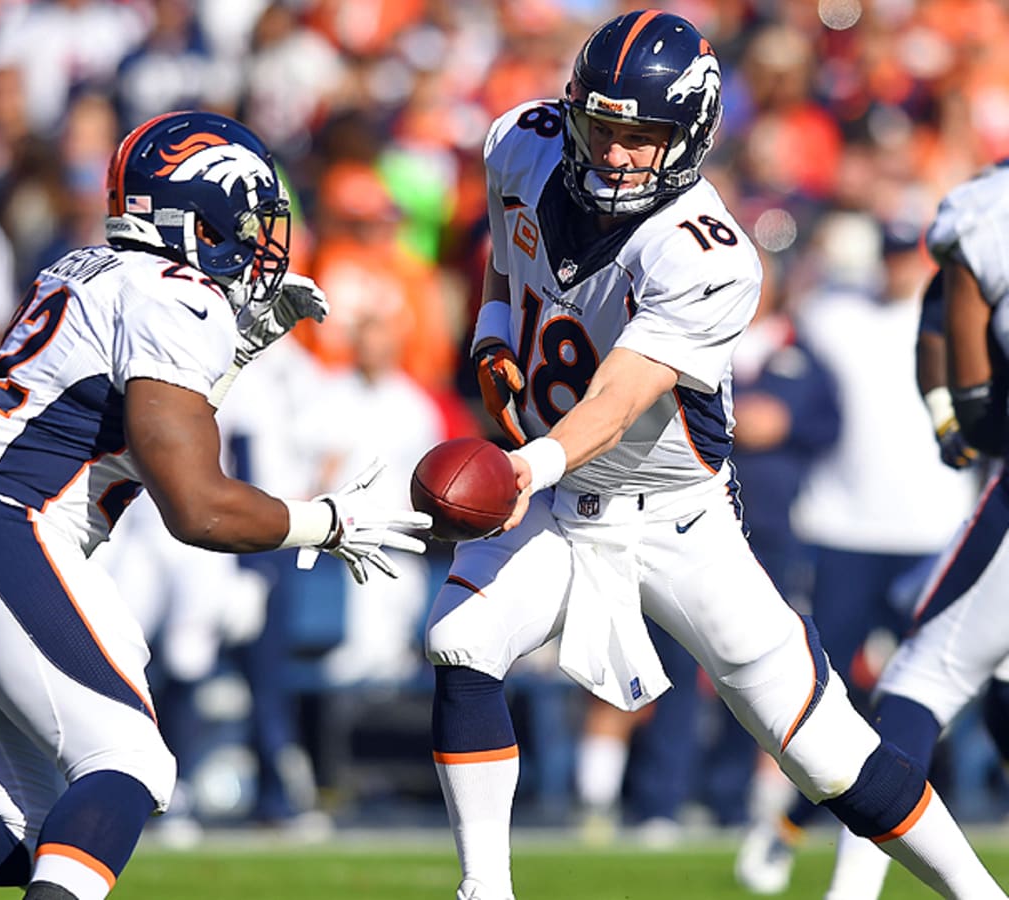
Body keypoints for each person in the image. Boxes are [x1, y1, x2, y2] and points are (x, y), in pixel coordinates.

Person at [422, 12, 1007, 900]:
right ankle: (484, 891)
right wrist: (493, 343)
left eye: (642, 137)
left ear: (689, 136)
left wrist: (523, 466)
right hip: (557, 495)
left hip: (674, 517)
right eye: (603, 129)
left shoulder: (707, 253)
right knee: (462, 643)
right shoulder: (522, 144)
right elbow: (508, 278)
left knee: (826, 753)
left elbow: (618, 399)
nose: (616, 154)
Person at [0, 110, 430, 900]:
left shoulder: (85, 267)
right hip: (2, 527)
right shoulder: (178, 296)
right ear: (191, 220)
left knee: (27, 833)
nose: (256, 244)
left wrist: (230, 357)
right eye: (241, 223)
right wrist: (331, 522)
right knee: (129, 763)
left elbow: (128, 430)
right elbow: (198, 508)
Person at [823, 161, 1009, 900]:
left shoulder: (983, 209)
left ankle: (851, 893)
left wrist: (961, 416)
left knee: (920, 677)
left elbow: (950, 343)